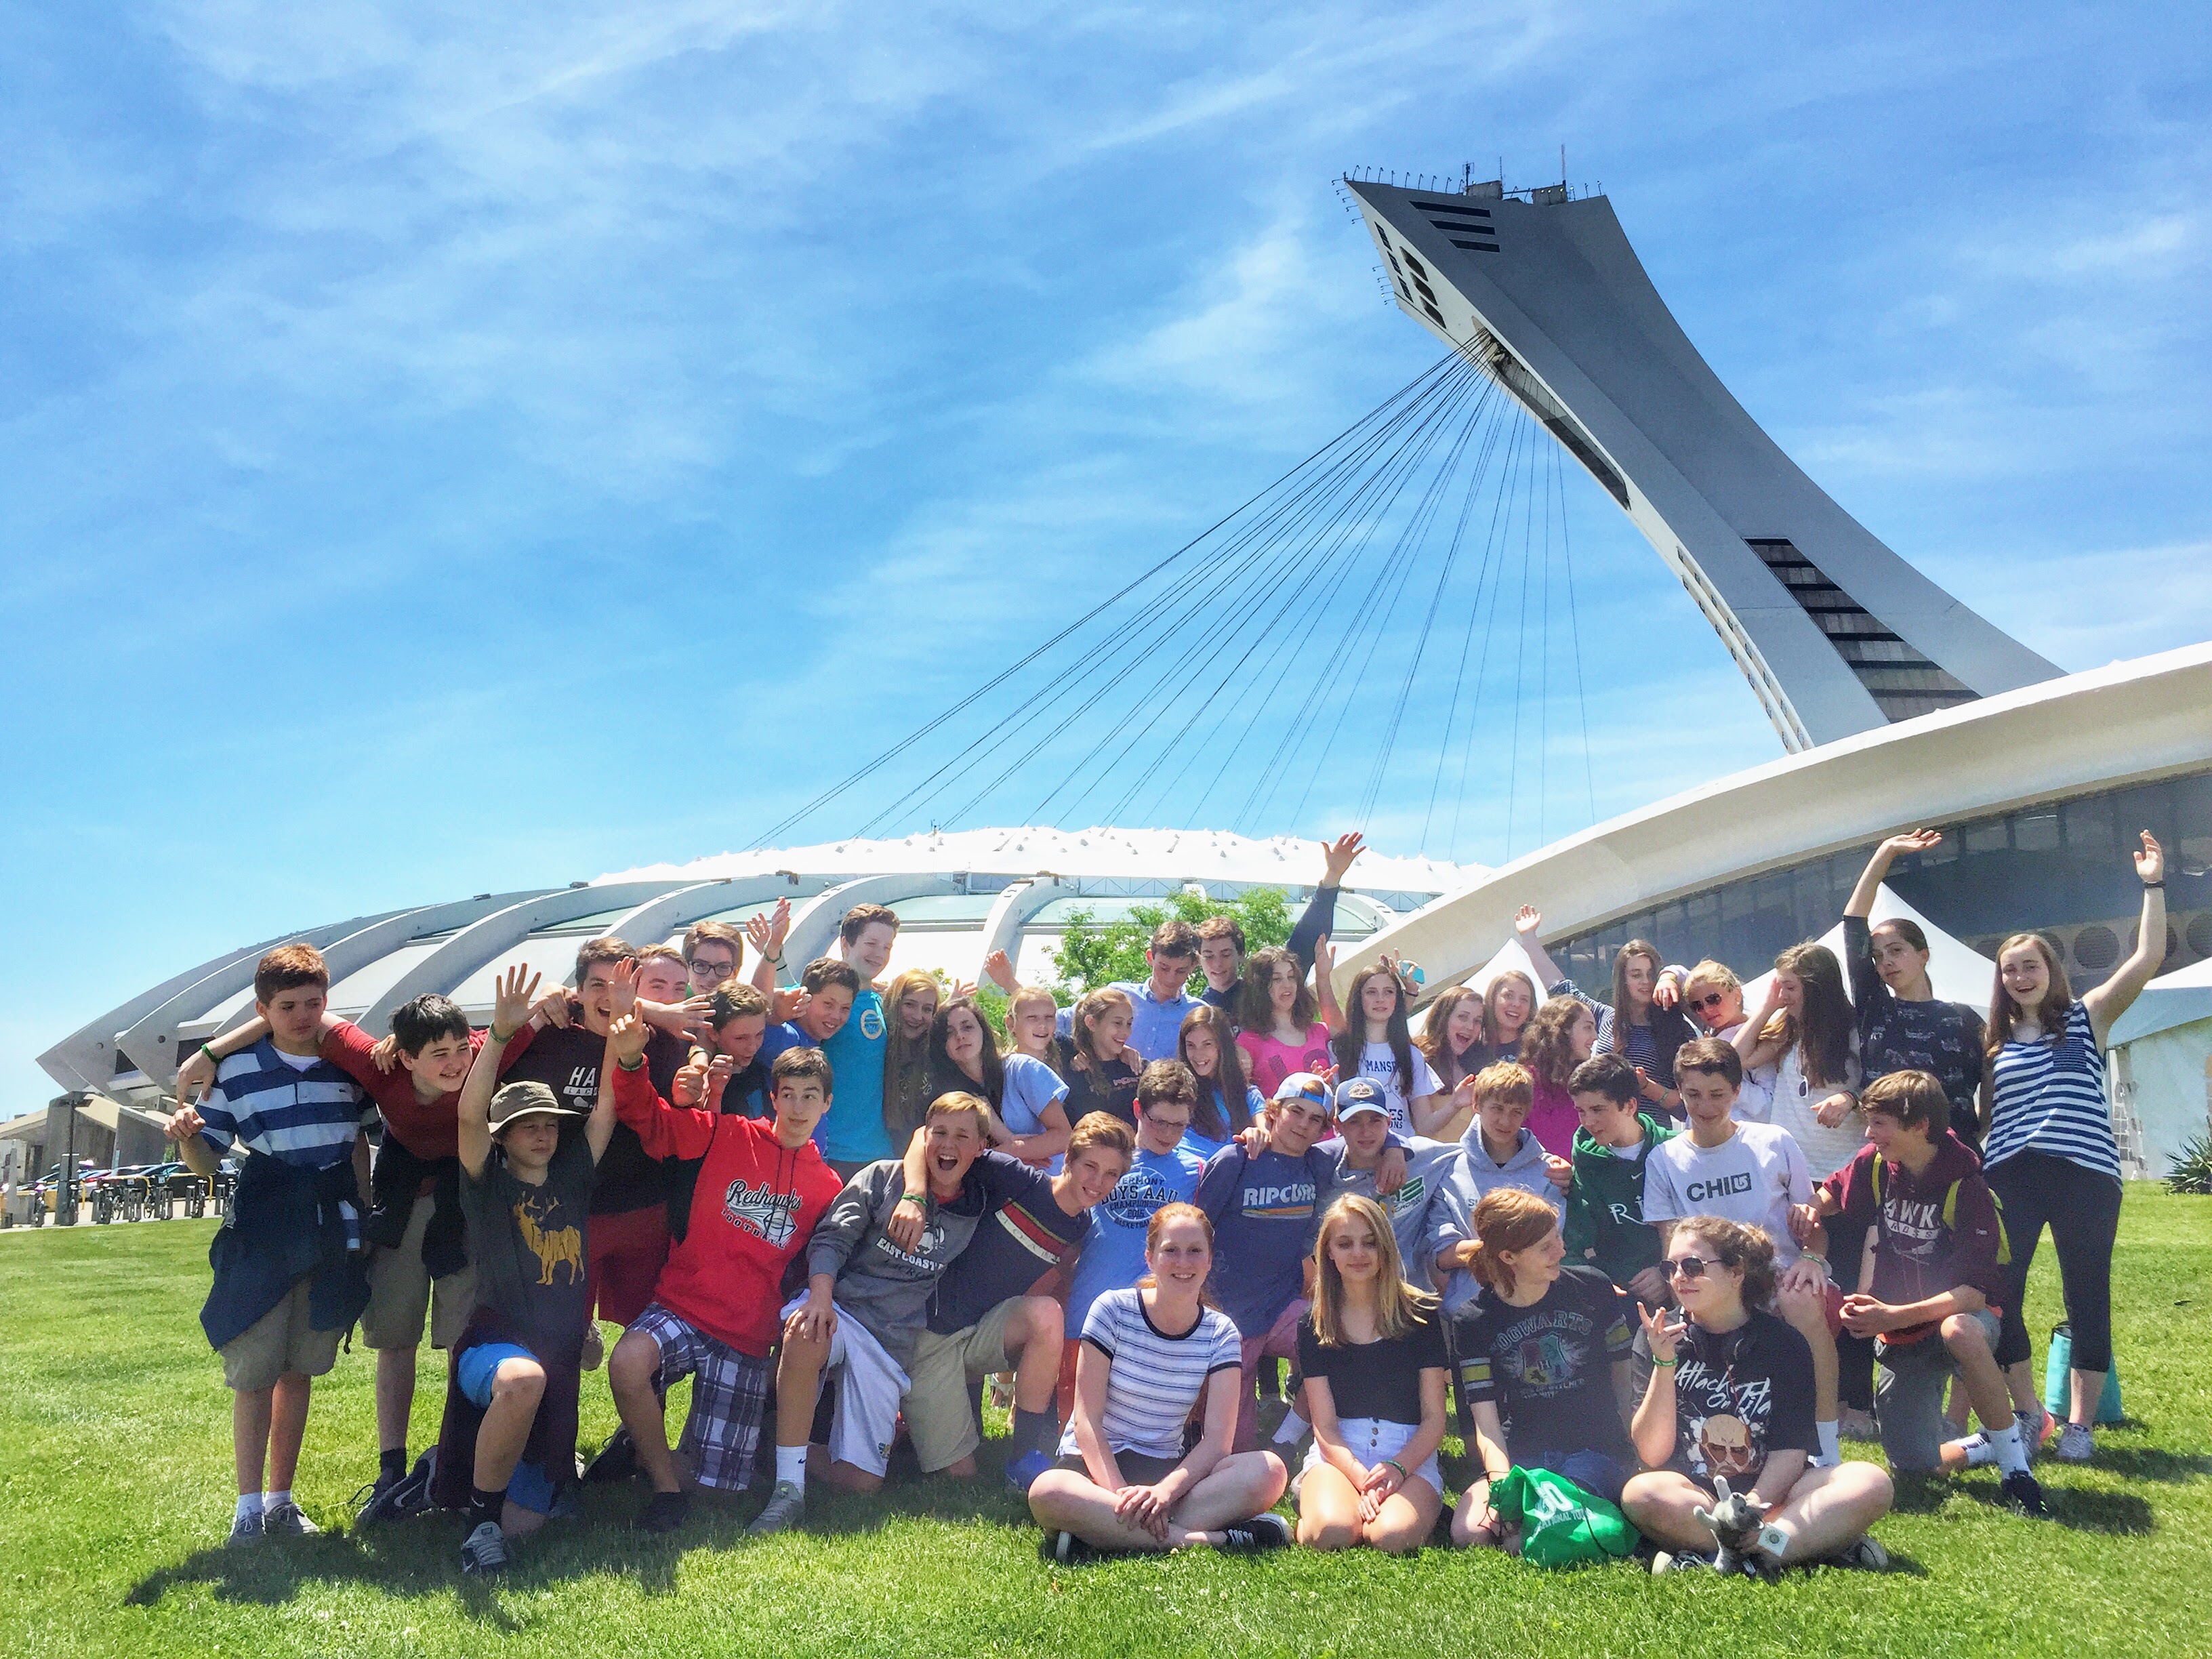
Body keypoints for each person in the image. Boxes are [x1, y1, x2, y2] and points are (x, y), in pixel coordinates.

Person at [178, 989, 483, 1519]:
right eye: (438, 1052)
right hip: (392, 1209)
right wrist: (210, 1052)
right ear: (407, 1055)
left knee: (461, 1339)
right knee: (393, 1337)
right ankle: (391, 1467)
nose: (453, 1061)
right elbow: (314, 1023)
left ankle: (455, 1462)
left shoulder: (472, 1053)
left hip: (461, 1208)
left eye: (459, 1050)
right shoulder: (374, 1065)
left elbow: (545, 1005)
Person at [164, 943, 375, 1547]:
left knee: (301, 1366)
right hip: (264, 1226)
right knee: (255, 1369)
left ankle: (282, 1499)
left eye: (314, 1003)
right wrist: (187, 1138)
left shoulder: (346, 1068)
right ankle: (248, 1507)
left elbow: (364, 1143)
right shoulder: (236, 1072)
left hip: (331, 1225)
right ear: (264, 1010)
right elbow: (207, 1161)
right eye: (288, 1006)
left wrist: (363, 1220)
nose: (303, 1016)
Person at [750, 1092, 1025, 1532]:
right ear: (923, 1136)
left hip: (890, 1342)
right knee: (807, 1330)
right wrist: (820, 1297)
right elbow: (830, 1241)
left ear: (980, 1148)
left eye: (961, 1136)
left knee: (859, 1484)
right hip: (843, 1310)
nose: (947, 1145)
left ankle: (766, 1443)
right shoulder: (882, 1177)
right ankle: (787, 1490)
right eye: (939, 1133)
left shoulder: (978, 1209)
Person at [605, 1027, 842, 1532]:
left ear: (827, 1105)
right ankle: (665, 1490)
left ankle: (646, 1455)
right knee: (627, 1363)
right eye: (789, 1095)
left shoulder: (827, 1187)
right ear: (773, 1097)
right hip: (682, 1309)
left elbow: (821, 1261)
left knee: (717, 1491)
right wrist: (630, 1064)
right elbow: (655, 1121)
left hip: (745, 1339)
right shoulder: (726, 1132)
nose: (797, 1108)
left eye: (810, 1097)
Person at [1980, 830, 2167, 1464]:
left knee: (2086, 1290)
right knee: (2001, 1292)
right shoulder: (1994, 1045)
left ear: (2050, 971)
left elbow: (2146, 958)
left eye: (2031, 965)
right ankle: (2030, 1413)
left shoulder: (2089, 1016)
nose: (2021, 976)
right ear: (2002, 981)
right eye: (2010, 969)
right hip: (2010, 1174)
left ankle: (2080, 1425)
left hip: (2085, 1172)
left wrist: (2153, 884)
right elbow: (1983, 1118)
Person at [434, 964, 619, 1574]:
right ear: (504, 1136)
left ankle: (456, 1478)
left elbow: (603, 1119)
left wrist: (617, 1049)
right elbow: (467, 1118)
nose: (541, 1135)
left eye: (548, 1125)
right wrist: (500, 1036)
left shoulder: (572, 1178)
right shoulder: (486, 1186)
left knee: (532, 1529)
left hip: (558, 1353)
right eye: (525, 1127)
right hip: (495, 1346)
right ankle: (477, 1523)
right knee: (522, 1381)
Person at [1804, 1071, 2047, 1515]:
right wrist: (1811, 1208)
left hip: (1962, 1318)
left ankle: (2017, 1471)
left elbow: (1973, 1295)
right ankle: (1983, 1446)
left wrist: (1889, 1316)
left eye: (1880, 1124)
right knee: (1914, 1465)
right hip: (1904, 1333)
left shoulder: (1967, 1184)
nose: (1869, 1133)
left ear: (1920, 1126)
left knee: (1961, 1331)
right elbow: (1835, 1191)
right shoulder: (1878, 1164)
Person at [1621, 1218, 1893, 1575]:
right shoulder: (1658, 1336)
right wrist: (1664, 1363)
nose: (1678, 1277)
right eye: (1670, 1267)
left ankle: (1738, 1551)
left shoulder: (1783, 1343)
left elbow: (1791, 1451)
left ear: (1736, 1272)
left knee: (1870, 1482)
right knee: (1641, 1493)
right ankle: (1807, 1544)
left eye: (1692, 1266)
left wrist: (1753, 1504)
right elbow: (1652, 1453)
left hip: (1777, 1498)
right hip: (1696, 1497)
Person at [1027, 1204, 1292, 1555]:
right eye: (1171, 1251)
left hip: (1165, 1472)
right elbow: (1086, 1420)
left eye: (1195, 1251)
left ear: (1210, 1260)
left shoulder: (1220, 1332)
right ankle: (1211, 1539)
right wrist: (1118, 1496)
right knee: (1048, 1491)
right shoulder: (1112, 1310)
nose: (1183, 1262)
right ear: (1150, 1257)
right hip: (1095, 1467)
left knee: (1270, 1471)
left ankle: (1099, 1533)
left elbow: (1217, 1443)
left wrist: (1163, 1494)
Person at [901, 1111, 1134, 1492]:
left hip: (980, 1332)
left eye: (1111, 1175)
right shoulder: (1017, 1179)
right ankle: (908, 1421)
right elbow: (919, 1136)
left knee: (1047, 1314)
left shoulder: (1079, 1226)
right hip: (930, 1334)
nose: (1098, 1182)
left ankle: (1022, 1457)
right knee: (960, 1474)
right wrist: (913, 1194)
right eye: (1090, 1166)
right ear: (1069, 1160)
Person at [1641, 1038, 1844, 1468]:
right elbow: (1669, 1248)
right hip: (1712, 1287)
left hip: (1779, 1278)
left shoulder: (1774, 1141)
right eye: (1693, 1095)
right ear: (1679, 1092)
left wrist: (1812, 1259)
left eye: (1718, 1094)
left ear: (1737, 1093)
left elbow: (1813, 1230)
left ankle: (1826, 1447)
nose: (1706, 1106)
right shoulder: (1665, 1159)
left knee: (1799, 1298)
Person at [496, 938, 689, 1343]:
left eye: (620, 984)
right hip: (567, 1213)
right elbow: (476, 1055)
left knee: (645, 1340)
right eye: (596, 985)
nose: (608, 996)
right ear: (578, 992)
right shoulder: (550, 1037)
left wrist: (702, 1071)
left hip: (643, 1209)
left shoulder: (661, 1045)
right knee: (557, 1334)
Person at [1450, 1188, 1637, 1547]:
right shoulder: (1473, 1320)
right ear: (1509, 1256)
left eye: (1559, 1239)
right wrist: (1501, 1483)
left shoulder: (1593, 1288)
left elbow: (1625, 1379)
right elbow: (1485, 1421)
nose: (1562, 1252)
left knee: (1528, 1533)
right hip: (1526, 1452)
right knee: (1470, 1532)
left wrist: (1635, 1449)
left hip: (1594, 1449)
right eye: (1546, 1247)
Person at [1195, 1073, 1350, 1452]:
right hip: (1228, 1315)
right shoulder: (1236, 1160)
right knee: (1235, 1449)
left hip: (1283, 1308)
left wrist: (1394, 1150)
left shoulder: (1319, 1164)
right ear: (1274, 1111)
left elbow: (1371, 1139)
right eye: (1296, 1112)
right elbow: (1196, 1232)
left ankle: (1289, 1439)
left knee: (1343, 1343)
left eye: (1316, 1120)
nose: (1304, 1125)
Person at [1294, 1194, 1449, 1553]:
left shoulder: (1421, 1315)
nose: (1358, 1254)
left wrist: (1397, 1468)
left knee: (1390, 1537)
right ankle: (1317, 1514)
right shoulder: (1313, 1324)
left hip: (1408, 1451)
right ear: (1328, 1252)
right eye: (1345, 1244)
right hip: (1340, 1455)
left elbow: (1434, 1420)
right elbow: (1325, 1427)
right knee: (1334, 1533)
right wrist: (1361, 1478)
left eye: (1369, 1242)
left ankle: (1411, 1505)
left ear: (1385, 1248)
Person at [1061, 1062, 1211, 1416]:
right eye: (1159, 1121)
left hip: (1151, 1319)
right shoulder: (1105, 1158)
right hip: (1085, 1306)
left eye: (1179, 1125)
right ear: (1137, 1109)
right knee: (1074, 1420)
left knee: (1139, 1420)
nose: (1169, 1133)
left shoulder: (1198, 1169)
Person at [1843, 832, 1990, 1141]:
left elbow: (1990, 1075)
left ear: (1923, 955)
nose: (1887, 962)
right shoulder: (1875, 1008)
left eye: (1896, 950)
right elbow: (1854, 922)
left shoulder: (1964, 1019)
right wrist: (1886, 852)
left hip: (1955, 1156)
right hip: (1891, 1156)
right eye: (1878, 956)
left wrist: (1982, 1126)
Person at [1429, 1063, 1570, 1315]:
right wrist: (1508, 1248)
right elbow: (1440, 1253)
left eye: (1516, 1111)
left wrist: (1482, 1249)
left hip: (1537, 1309)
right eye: (1497, 1108)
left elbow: (1549, 1246)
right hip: (1470, 1312)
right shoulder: (1449, 1170)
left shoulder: (1550, 1172)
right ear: (1477, 1105)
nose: (1506, 1120)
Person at [1192, 832, 1369, 1008]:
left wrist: (1333, 876)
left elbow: (1304, 942)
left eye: (1226, 954)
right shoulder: (1195, 1012)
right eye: (1208, 956)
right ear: (1198, 959)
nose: (1217, 963)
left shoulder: (1263, 996)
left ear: (1241, 955)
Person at [1736, 943, 1865, 1181]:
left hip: (1845, 1168)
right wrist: (1767, 1007)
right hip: (1793, 1168)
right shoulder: (1789, 1030)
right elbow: (1736, 1059)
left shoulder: (1855, 1031)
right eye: (1780, 987)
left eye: (1790, 988)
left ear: (1815, 988)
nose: (1783, 996)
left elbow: (1880, 1084)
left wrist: (1850, 1098)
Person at [1561, 1052, 1677, 1309]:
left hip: (1685, 1287)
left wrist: (1667, 1273)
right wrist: (1596, 1285)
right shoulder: (1586, 1165)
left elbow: (1706, 1226)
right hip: (1621, 1301)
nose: (1588, 1122)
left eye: (1598, 1110)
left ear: (1630, 1106)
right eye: (1581, 1111)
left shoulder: (1676, 1151)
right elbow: (1571, 1246)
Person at [1326, 1078, 1458, 1290]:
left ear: (1389, 1121)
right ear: (1337, 1125)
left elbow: (1471, 1156)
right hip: (1355, 1303)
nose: (1366, 1131)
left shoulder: (1419, 1156)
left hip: (1414, 1299)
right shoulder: (1328, 1180)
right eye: (1354, 1121)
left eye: (1375, 1120)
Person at [928, 995, 1072, 1165]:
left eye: (967, 1027)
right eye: (949, 1033)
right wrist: (1014, 1153)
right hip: (990, 1186)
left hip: (1047, 1182)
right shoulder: (949, 1095)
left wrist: (1014, 1151)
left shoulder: (1021, 1069)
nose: (960, 1036)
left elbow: (1064, 1136)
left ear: (983, 1030)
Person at [1053, 919, 1204, 1065]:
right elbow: (1060, 1021)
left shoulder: (1198, 1012)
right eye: (1163, 968)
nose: (1170, 978)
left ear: (1193, 966)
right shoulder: (1119, 995)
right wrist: (1076, 1054)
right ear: (1150, 957)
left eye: (1181, 971)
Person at [1330, 960, 1453, 1135]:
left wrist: (1456, 1104)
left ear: (1397, 999)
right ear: (1358, 999)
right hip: (1356, 1151)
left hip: (1402, 1150)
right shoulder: (1338, 1049)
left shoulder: (1411, 1055)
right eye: (1371, 992)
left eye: (1389, 992)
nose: (1380, 999)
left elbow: (1424, 1125)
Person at [1233, 944, 1334, 1099]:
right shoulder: (1248, 1042)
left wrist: (1323, 977)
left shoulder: (1321, 1031)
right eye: (1277, 979)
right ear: (1260, 987)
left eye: (1291, 977)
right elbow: (1242, 1098)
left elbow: (1349, 1038)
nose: (1287, 985)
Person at [1679, 960, 1775, 1122]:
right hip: (1705, 1139)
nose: (1707, 1010)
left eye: (1714, 999)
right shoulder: (1709, 1036)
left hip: (1743, 1138)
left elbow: (1768, 1107)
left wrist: (1722, 1078)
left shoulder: (1759, 1035)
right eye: (1697, 1005)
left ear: (1737, 995)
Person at [1178, 1004, 1263, 1158]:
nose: (1198, 1055)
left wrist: (1256, 1135)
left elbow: (1265, 1132)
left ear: (1222, 1046)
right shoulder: (1178, 1092)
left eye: (1207, 1044)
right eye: (1191, 1046)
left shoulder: (1248, 1094)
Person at [1515, 995, 1596, 1156]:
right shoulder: (1524, 1082)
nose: (1595, 1036)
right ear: (1564, 1029)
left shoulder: (1589, 1083)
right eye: (1588, 1028)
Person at [1061, 986, 1141, 1130]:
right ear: (1091, 1023)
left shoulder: (1135, 1065)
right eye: (1117, 1023)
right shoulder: (1073, 1069)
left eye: (1129, 1024)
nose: (1125, 1032)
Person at [880, 968, 943, 1147]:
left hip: (922, 1152)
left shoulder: (937, 1055)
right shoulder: (876, 1044)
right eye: (909, 1004)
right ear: (895, 1002)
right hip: (872, 1152)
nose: (917, 1016)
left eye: (927, 1009)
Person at [680, 921, 745, 1000]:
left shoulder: (745, 1009)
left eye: (723, 967)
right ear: (686, 968)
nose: (711, 978)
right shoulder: (671, 1001)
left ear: (736, 972)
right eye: (701, 965)